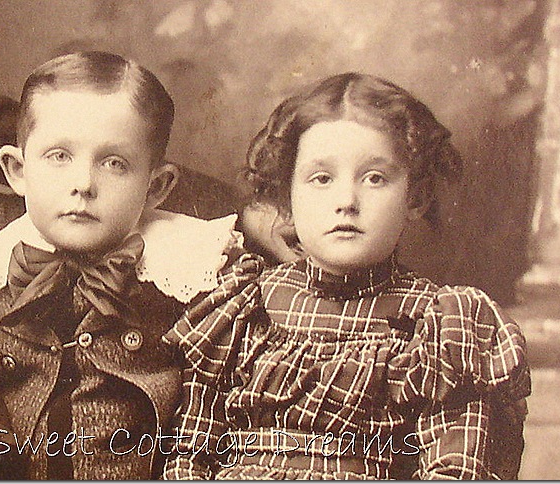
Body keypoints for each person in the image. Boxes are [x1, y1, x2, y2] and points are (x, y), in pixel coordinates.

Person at [162, 72, 531, 480]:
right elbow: (189, 451)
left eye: (375, 178)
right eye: (321, 179)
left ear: (416, 197)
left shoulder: (439, 326)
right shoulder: (244, 307)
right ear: (287, 198)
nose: (346, 201)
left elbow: (456, 469)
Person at [0, 51, 240, 479]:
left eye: (114, 163)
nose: (83, 184)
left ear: (156, 188)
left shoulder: (192, 278)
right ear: (17, 170)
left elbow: (217, 414)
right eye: (59, 156)